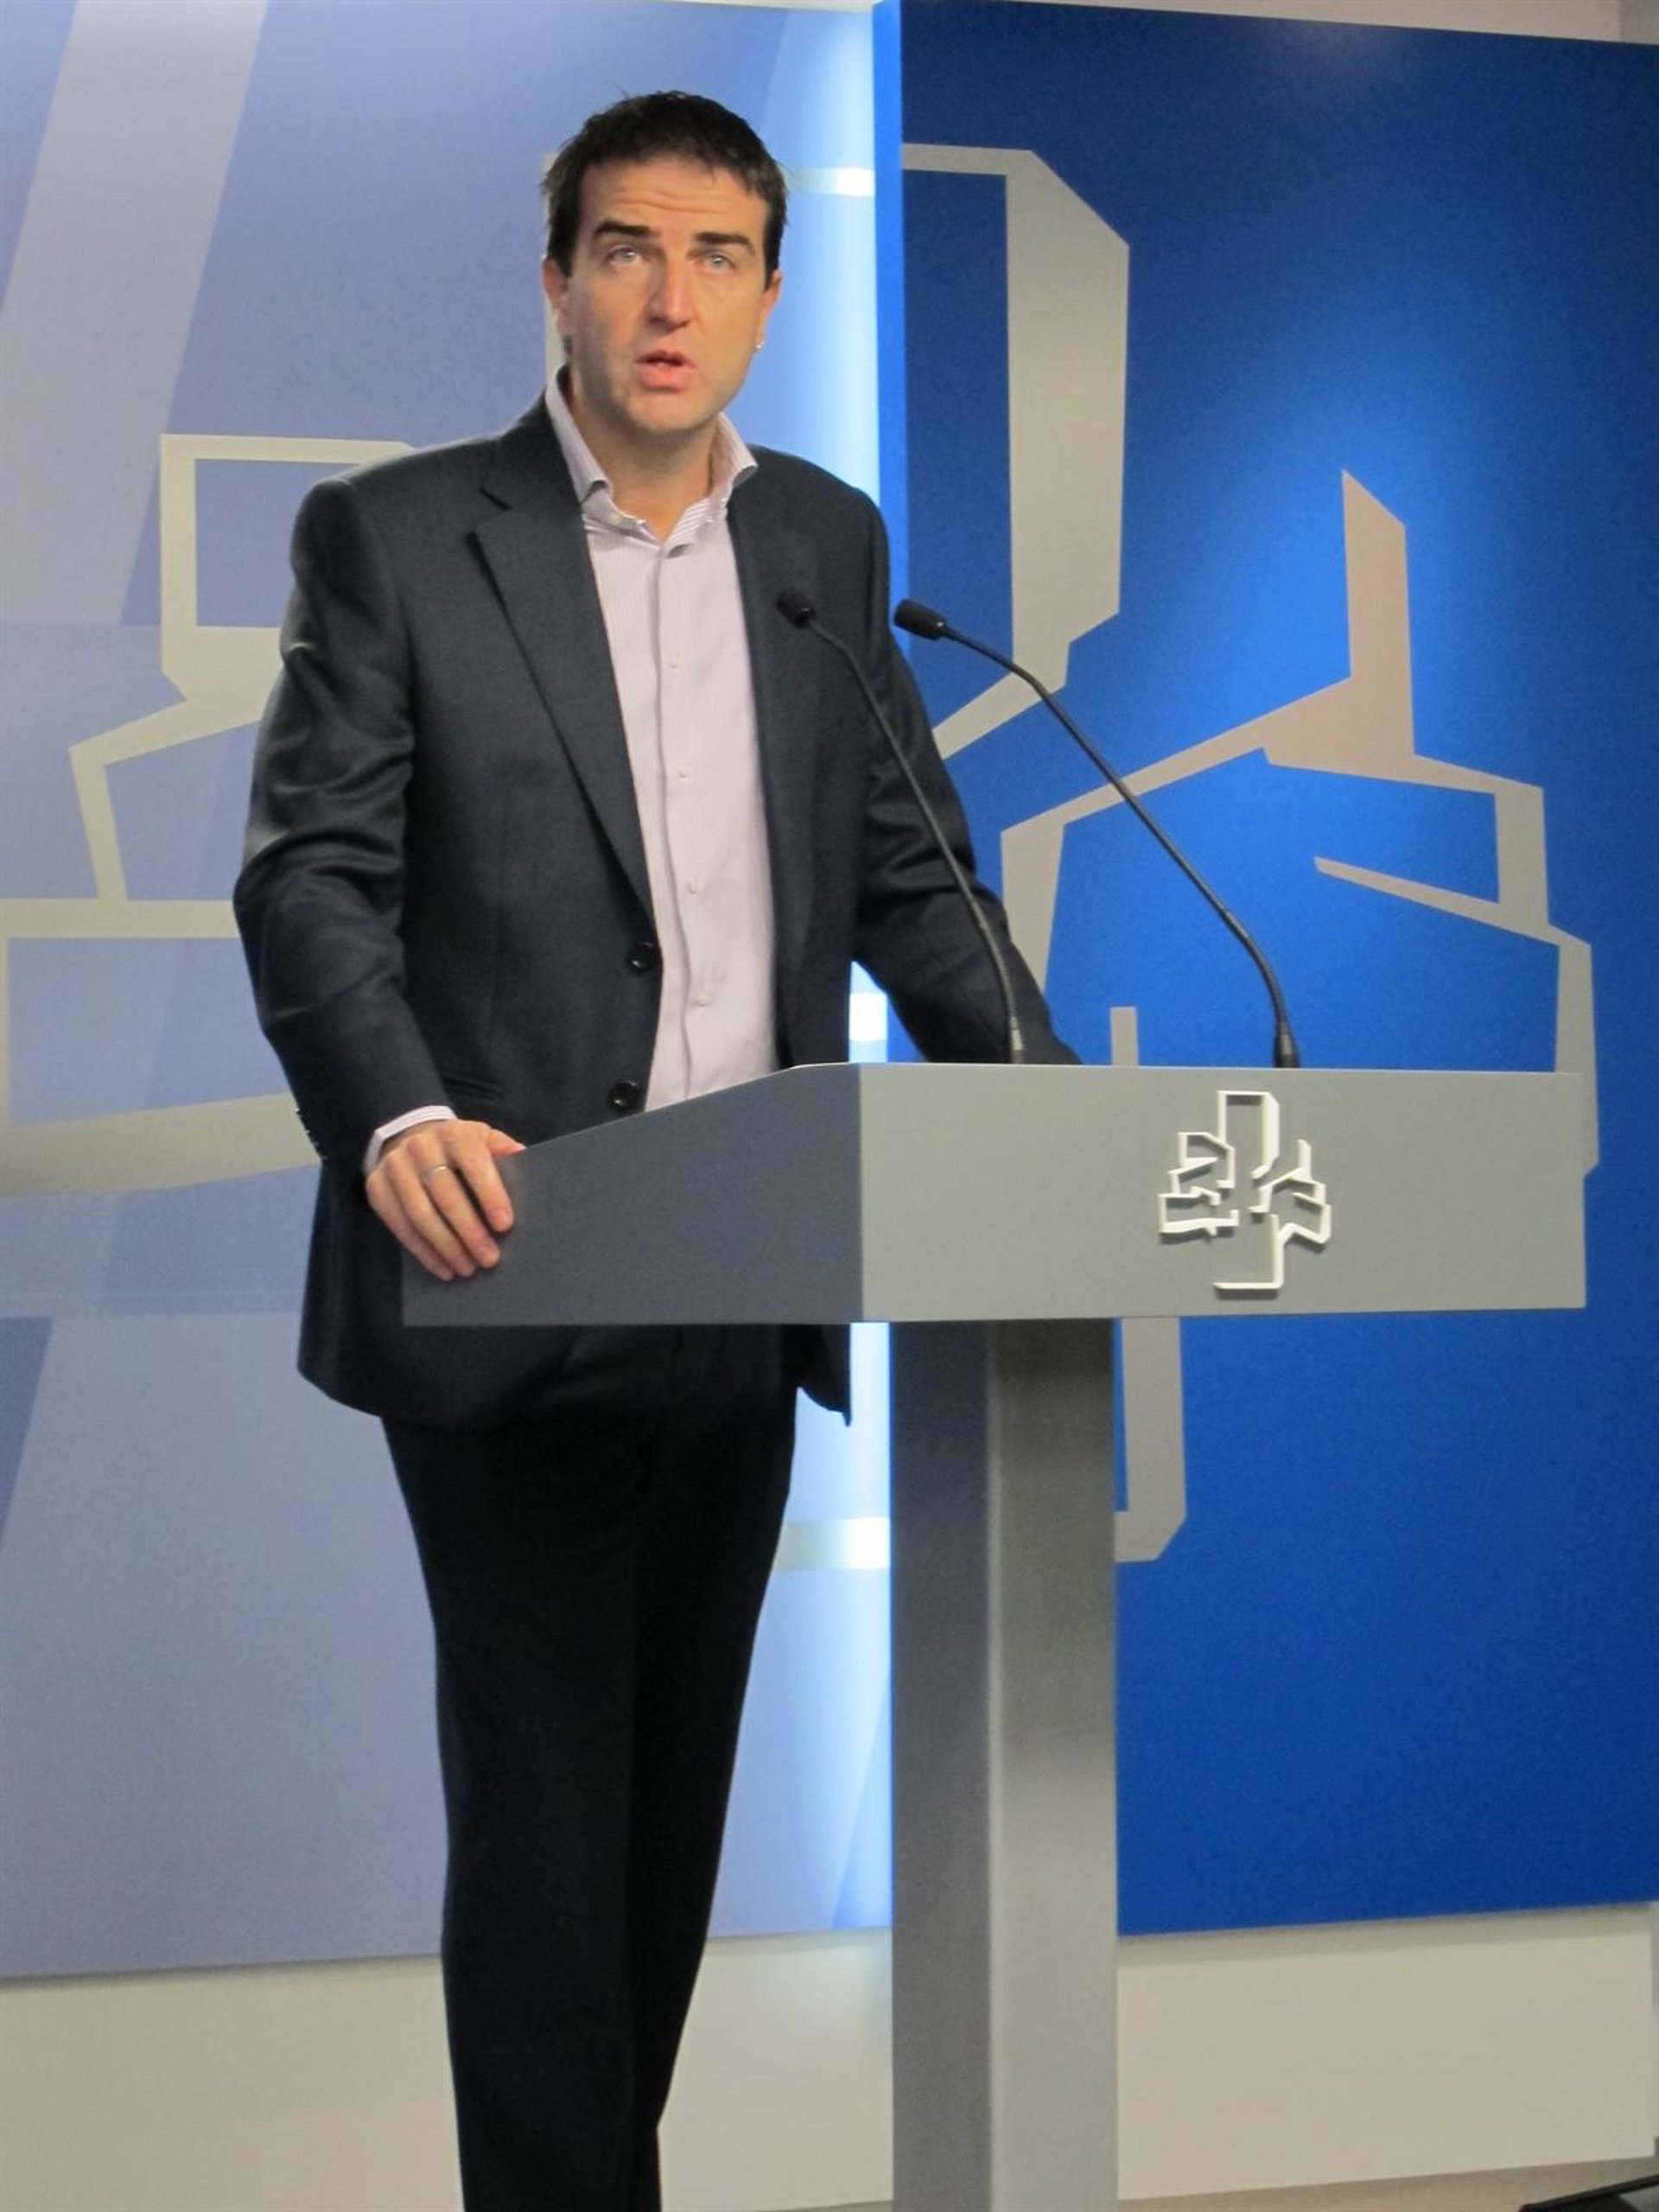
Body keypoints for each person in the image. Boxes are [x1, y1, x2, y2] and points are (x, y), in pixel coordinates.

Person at [235, 90, 1071, 2212]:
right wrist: (397, 1106)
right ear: (558, 281)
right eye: (627, 248)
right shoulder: (401, 535)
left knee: (659, 1841)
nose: (669, 295)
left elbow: (910, 874)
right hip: (513, 1264)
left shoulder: (823, 551)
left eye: (716, 255)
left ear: (773, 295)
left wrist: (1058, 1115)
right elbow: (311, 876)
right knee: (545, 1839)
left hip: (743, 1275)